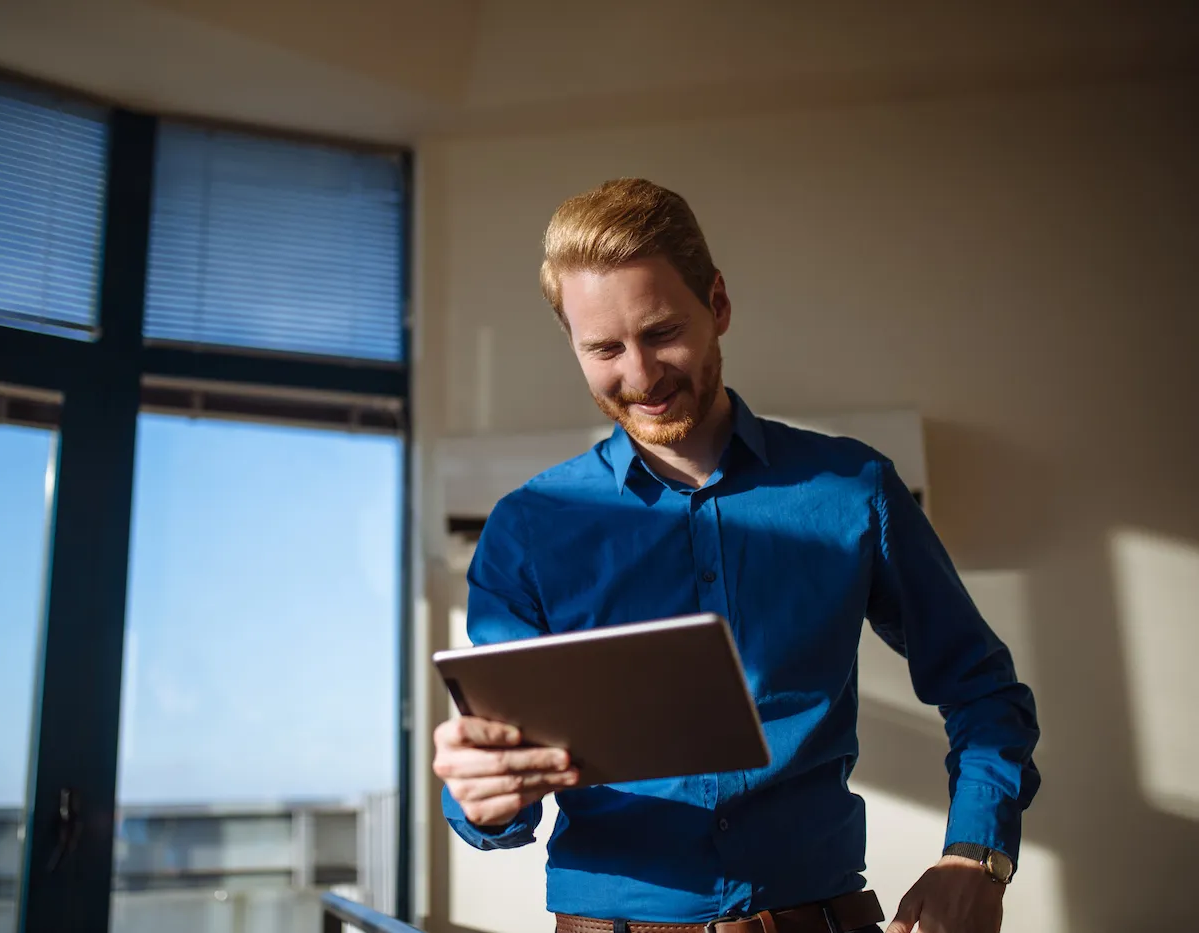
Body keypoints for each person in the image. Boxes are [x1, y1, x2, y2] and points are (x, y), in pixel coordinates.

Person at [433, 178, 1041, 933]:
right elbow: (495, 780)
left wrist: (976, 855)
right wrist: (482, 796)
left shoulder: (854, 491)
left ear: (717, 304)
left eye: (661, 333)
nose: (641, 375)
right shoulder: (528, 529)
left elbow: (985, 692)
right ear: (573, 345)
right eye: (604, 348)